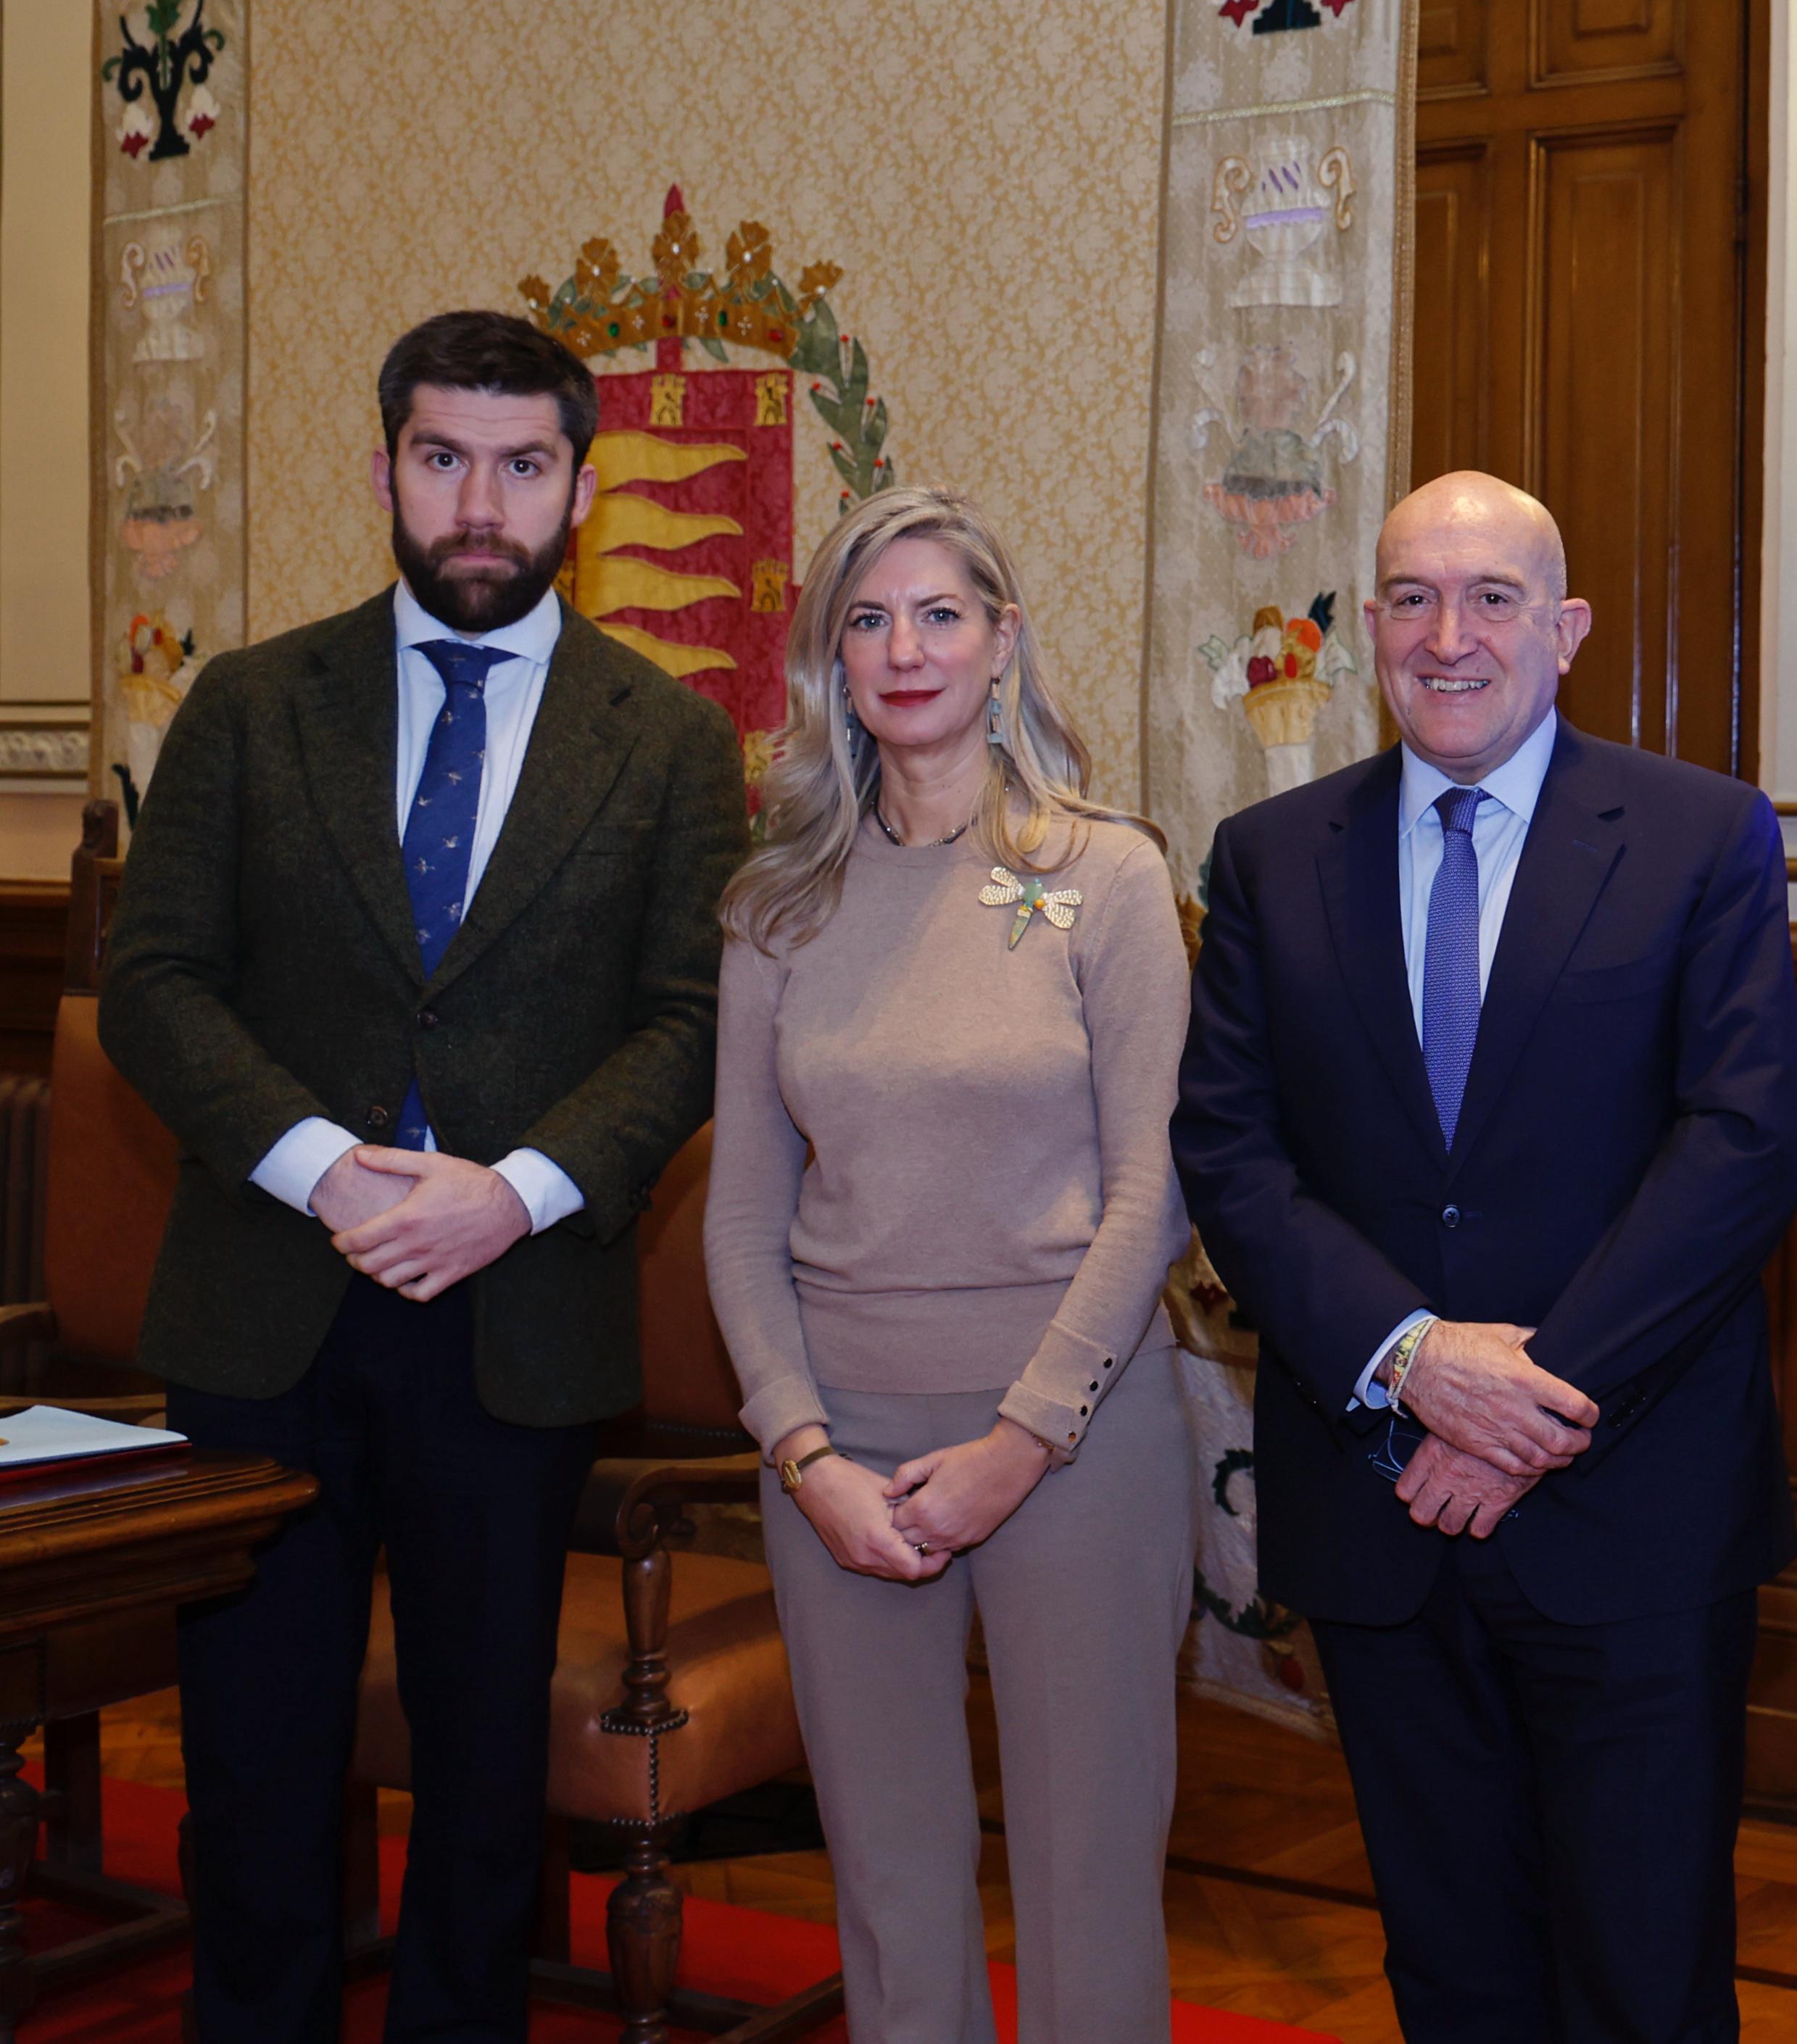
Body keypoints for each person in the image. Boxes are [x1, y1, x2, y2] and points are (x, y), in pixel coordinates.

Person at [101, 309, 748, 2043]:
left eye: (521, 465)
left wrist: (514, 1188)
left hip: (514, 1316)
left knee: (480, 1780)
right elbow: (154, 980)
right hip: (265, 1308)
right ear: (384, 465)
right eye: (443, 457)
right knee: (254, 1764)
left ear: (582, 488)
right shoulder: (252, 702)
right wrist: (322, 1169)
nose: (479, 504)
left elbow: (695, 1019)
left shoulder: (671, 739)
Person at [1173, 470, 1797, 2042]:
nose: (1448, 636)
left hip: (1632, 1512)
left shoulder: (1699, 834)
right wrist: (1414, 1363)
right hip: (1380, 1511)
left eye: (1492, 598)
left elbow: (1740, 1146)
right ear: (1371, 627)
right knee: (1452, 1974)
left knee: (1647, 1979)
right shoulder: (1266, 857)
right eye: (1412, 597)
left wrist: (1528, 1398)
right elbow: (1231, 1154)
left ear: (1567, 628)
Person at [703, 488, 1194, 2044]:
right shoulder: (777, 905)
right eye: (868, 620)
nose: (904, 649)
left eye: (938, 614)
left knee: (1087, 1878)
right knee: (890, 1884)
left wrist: (1020, 1438)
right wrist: (803, 1452)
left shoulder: (1107, 875)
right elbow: (739, 1215)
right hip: (840, 1451)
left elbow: (1155, 1191)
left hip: (1076, 1436)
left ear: (1002, 641)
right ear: (830, 663)